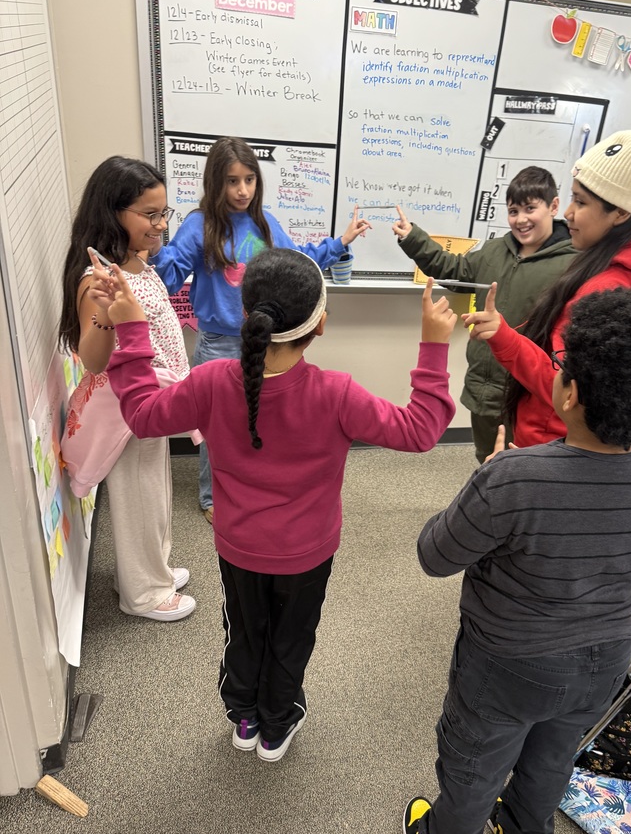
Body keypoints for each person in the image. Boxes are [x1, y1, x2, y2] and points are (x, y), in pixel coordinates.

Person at [91, 249, 457, 761]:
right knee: (292, 637)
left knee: (243, 630)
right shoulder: (337, 394)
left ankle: (243, 716)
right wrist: (435, 346)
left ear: (245, 315)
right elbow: (421, 431)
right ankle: (275, 724)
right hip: (308, 553)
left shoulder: (212, 381)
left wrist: (132, 330)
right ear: (321, 325)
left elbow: (143, 415)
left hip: (238, 546)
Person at [403, 286, 631, 834]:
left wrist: (490, 478)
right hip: (607, 656)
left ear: (569, 393)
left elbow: (436, 554)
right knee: (552, 756)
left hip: (507, 660)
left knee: (475, 759)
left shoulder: (513, 476)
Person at [151, 136, 372, 524]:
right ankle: (210, 497)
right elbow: (168, 280)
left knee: (263, 415)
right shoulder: (200, 225)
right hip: (218, 343)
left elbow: (296, 262)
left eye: (250, 180)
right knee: (216, 425)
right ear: (215, 183)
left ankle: (254, 484)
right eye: (233, 181)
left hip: (267, 341)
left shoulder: (263, 222)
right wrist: (153, 247)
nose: (242, 190)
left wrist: (340, 243)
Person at [465, 130, 631, 449]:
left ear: (621, 212)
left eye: (581, 202)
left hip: (554, 436)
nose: (569, 214)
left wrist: (505, 338)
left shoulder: (607, 289)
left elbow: (563, 385)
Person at [58, 157, 195, 621]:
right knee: (138, 497)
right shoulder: (96, 278)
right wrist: (106, 313)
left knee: (154, 492)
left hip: (153, 399)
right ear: (114, 212)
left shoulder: (134, 259)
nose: (160, 225)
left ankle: (151, 570)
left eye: (163, 213)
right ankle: (143, 594)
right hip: (127, 408)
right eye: (149, 215)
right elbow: (93, 359)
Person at [392, 166, 574, 461]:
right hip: (483, 385)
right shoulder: (493, 251)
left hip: (530, 389)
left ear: (553, 206)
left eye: (531, 208)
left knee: (523, 463)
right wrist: (413, 239)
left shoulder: (573, 265)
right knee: (485, 458)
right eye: (513, 211)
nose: (521, 219)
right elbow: (454, 272)